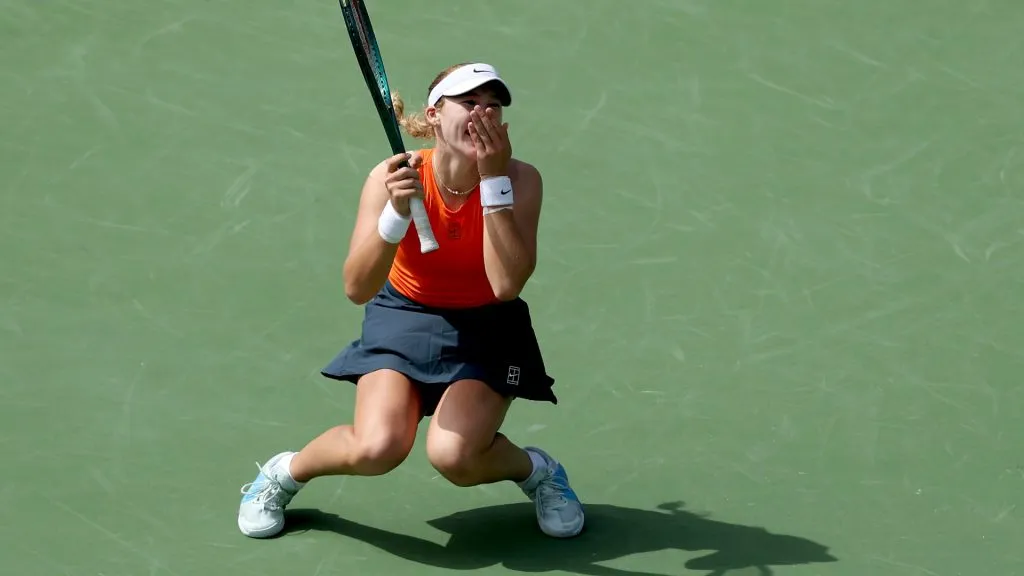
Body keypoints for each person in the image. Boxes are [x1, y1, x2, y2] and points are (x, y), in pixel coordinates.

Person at [237, 62, 585, 540]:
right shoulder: (392, 176)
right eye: (469, 102)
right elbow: (357, 287)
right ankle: (283, 473)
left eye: (493, 105)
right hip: (404, 314)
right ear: (435, 115)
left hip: (486, 326)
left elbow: (506, 285)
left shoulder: (520, 181)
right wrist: (396, 215)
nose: (482, 113)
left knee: (455, 457)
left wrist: (492, 183)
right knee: (377, 447)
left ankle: (539, 471)